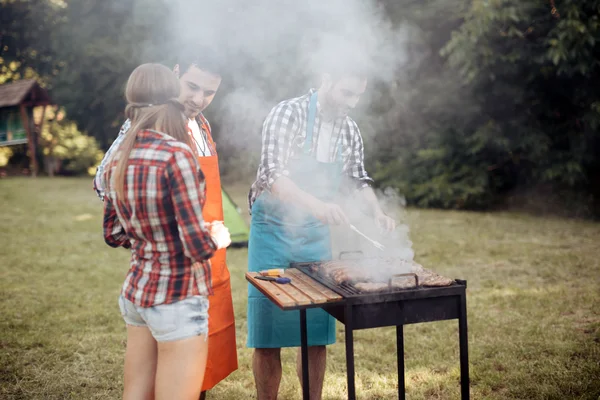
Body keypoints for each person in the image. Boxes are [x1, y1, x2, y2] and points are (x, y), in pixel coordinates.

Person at [246, 63, 396, 400]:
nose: (352, 102)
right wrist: (316, 204)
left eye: (358, 94)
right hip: (272, 231)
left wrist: (377, 211)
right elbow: (273, 174)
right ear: (326, 78)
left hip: (315, 234)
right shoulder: (288, 114)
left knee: (315, 333)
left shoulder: (349, 129)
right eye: (347, 92)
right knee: (268, 336)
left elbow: (357, 178)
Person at [94, 54, 238, 398]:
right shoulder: (159, 141)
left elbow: (113, 230)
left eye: (209, 92)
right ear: (174, 76)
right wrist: (179, 236)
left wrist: (149, 235)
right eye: (192, 87)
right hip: (181, 277)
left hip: (163, 280)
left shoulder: (202, 126)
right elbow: (104, 183)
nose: (199, 99)